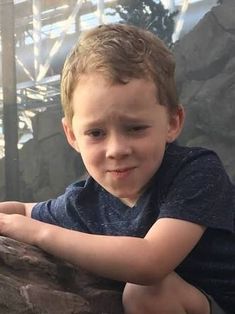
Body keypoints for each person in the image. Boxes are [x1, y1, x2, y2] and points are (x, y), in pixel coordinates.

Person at [0, 23, 234, 314]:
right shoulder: (83, 202)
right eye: (96, 133)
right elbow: (22, 211)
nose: (116, 149)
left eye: (135, 128)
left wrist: (36, 233)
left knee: (148, 291)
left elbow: (150, 262)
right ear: (72, 135)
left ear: (173, 123)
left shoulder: (196, 172)